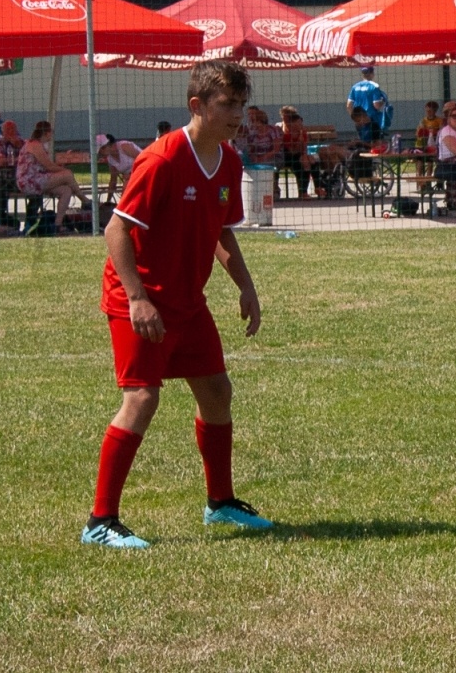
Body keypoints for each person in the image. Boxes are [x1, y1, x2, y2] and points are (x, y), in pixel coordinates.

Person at [83, 61, 274, 549]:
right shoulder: (163, 159)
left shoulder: (228, 161)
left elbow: (222, 230)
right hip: (143, 301)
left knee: (216, 392)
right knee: (142, 399)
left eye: (241, 105)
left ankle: (220, 504)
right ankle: (100, 522)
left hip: (189, 301)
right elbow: (116, 229)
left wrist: (245, 286)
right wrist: (138, 299)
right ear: (198, 106)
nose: (236, 114)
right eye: (226, 105)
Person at [16, 121, 89, 232]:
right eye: (51, 132)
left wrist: (60, 167)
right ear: (46, 132)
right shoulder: (34, 145)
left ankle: (57, 225)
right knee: (68, 174)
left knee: (66, 190)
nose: (52, 135)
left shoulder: (39, 145)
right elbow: (49, 166)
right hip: (29, 181)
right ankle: (84, 200)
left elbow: (46, 166)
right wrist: (64, 171)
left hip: (39, 178)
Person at [95, 133, 145, 205]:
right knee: (127, 186)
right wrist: (108, 201)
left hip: (144, 172)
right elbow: (113, 180)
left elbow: (144, 160)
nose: (100, 153)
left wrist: (132, 174)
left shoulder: (124, 146)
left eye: (100, 149)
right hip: (131, 180)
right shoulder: (110, 159)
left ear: (106, 145)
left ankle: (123, 208)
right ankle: (124, 207)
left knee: (126, 186)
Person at [276, 106, 313, 200]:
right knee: (274, 165)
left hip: (295, 155)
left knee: (306, 163)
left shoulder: (300, 131)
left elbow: (303, 148)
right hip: (283, 155)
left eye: (287, 116)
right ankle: (275, 191)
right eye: (283, 116)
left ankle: (303, 192)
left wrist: (303, 154)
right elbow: (285, 148)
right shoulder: (279, 128)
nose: (285, 119)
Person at [346, 65, 390, 131]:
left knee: (363, 140)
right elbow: (377, 106)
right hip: (371, 120)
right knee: (375, 140)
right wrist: (383, 100)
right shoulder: (374, 86)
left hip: (359, 121)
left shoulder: (355, 87)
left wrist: (356, 119)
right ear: (372, 74)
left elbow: (349, 105)